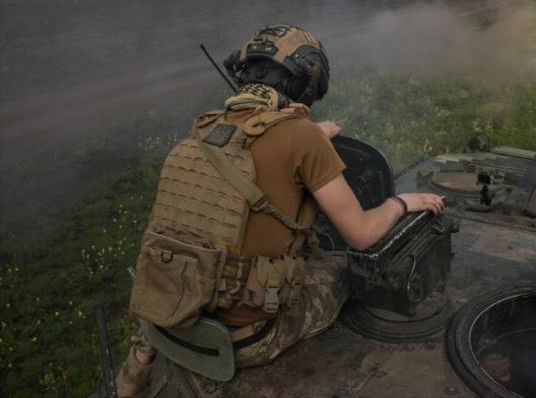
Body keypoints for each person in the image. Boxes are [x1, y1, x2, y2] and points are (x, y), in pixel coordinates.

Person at [115, 24, 444, 397]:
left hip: (173, 317)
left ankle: (140, 360)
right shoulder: (301, 138)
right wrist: (401, 203)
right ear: (305, 83)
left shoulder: (204, 130)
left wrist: (311, 134)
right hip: (245, 341)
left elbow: (255, 147)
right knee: (343, 267)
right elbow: (362, 233)